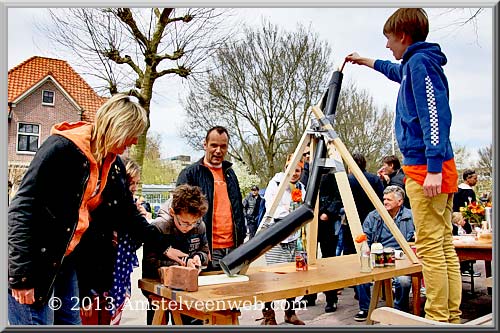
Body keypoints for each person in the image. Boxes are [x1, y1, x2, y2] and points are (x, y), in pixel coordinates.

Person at [7, 94, 176, 325]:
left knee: (71, 324)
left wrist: (165, 247)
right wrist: (21, 277)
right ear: (117, 126)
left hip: (66, 262)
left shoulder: (113, 165)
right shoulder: (61, 149)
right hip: (36, 263)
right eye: (132, 133)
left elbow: (127, 214)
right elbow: (21, 209)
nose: (135, 141)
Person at [346, 8, 461, 322]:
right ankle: (450, 314)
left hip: (426, 169)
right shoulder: (414, 64)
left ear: (403, 36)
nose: (387, 46)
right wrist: (365, 61)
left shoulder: (420, 64)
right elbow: (394, 71)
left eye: (388, 39)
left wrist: (434, 167)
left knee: (430, 248)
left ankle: (437, 316)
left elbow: (435, 116)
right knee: (443, 244)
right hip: (433, 166)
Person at [77, 156, 146, 325]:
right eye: (131, 182)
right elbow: (86, 252)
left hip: (116, 277)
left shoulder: (131, 208)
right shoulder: (103, 208)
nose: (134, 188)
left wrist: (139, 221)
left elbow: (132, 245)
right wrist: (84, 292)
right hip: (95, 281)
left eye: (137, 183)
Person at [176, 126, 246, 271]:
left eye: (223, 146)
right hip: (205, 251)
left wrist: (242, 240)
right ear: (205, 145)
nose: (218, 151)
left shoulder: (230, 174)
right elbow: (179, 214)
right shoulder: (189, 174)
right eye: (214, 145)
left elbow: (238, 208)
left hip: (233, 249)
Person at [142, 184, 210, 325]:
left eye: (193, 223)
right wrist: (181, 266)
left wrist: (198, 258)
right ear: (173, 212)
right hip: (159, 290)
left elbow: (204, 250)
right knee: (157, 321)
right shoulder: (159, 227)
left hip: (188, 291)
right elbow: (149, 265)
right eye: (184, 223)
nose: (189, 227)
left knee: (192, 322)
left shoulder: (199, 225)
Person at [353, 186, 415, 321]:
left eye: (389, 199)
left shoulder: (411, 216)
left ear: (400, 202)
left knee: (404, 281)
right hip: (378, 255)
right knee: (361, 275)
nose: (385, 202)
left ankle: (400, 310)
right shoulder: (374, 216)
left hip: (401, 258)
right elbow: (365, 236)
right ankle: (365, 309)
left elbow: (419, 238)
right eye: (384, 199)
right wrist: (366, 248)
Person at [259, 155, 306, 325]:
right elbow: (273, 209)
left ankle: (290, 312)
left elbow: (304, 209)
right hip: (276, 237)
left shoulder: (300, 187)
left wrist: (293, 213)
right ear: (286, 167)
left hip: (293, 237)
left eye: (298, 170)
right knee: (272, 277)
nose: (294, 173)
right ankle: (268, 315)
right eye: (291, 169)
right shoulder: (276, 183)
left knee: (293, 277)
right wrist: (292, 213)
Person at [299, 171, 342, 313]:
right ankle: (309, 295)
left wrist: (328, 212)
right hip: (310, 220)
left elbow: (338, 196)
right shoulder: (307, 173)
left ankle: (331, 298)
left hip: (326, 222)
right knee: (308, 260)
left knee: (328, 260)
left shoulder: (330, 173)